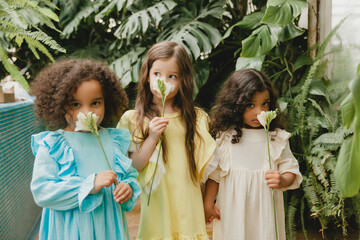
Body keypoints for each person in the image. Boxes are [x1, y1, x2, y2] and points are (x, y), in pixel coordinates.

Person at [30, 58, 141, 240]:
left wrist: (127, 187)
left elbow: (128, 176)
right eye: (75, 104)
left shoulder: (113, 140)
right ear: (59, 105)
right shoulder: (53, 144)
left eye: (95, 103)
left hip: (108, 227)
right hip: (70, 230)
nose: (87, 112)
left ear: (107, 101)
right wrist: (90, 185)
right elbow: (42, 191)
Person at [117, 41, 216, 239]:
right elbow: (134, 165)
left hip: (188, 204)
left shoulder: (197, 119)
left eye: (172, 76)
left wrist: (207, 203)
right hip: (157, 204)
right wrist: (152, 137)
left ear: (183, 80)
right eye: (157, 74)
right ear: (146, 77)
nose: (164, 81)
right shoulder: (133, 119)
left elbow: (206, 169)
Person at [203, 69, 302, 240]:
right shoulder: (225, 138)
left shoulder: (276, 137)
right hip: (232, 214)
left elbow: (290, 168)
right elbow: (215, 175)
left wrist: (283, 179)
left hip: (265, 214)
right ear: (234, 105)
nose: (259, 111)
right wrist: (208, 202)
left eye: (265, 104)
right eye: (250, 105)